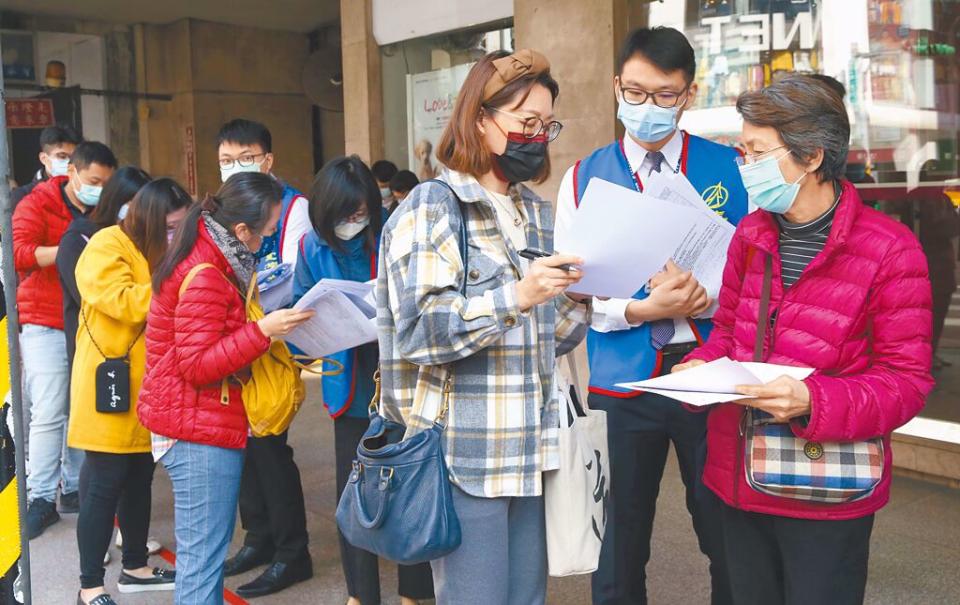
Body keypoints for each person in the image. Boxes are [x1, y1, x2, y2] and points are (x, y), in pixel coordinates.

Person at [672, 74, 934, 605]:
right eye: (741, 150)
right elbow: (728, 332)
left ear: (812, 156)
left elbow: (906, 382)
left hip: (826, 488)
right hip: (738, 476)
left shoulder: (891, 251)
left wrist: (812, 399)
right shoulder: (752, 233)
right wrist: (699, 366)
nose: (744, 164)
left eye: (758, 152)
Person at [378, 49, 590, 605]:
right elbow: (422, 332)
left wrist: (588, 298)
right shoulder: (435, 206)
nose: (538, 138)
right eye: (526, 124)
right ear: (480, 120)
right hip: (464, 456)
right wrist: (519, 293)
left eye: (547, 126)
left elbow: (548, 338)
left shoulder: (536, 210)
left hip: (531, 449)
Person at [553, 27, 747, 605]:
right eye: (635, 93)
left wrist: (704, 300)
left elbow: (753, 275)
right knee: (617, 541)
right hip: (621, 378)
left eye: (665, 95)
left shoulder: (733, 169)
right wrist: (639, 308)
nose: (648, 108)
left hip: (710, 375)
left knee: (724, 532)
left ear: (688, 94)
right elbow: (572, 290)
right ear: (616, 86)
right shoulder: (583, 176)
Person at [138, 172, 313, 604]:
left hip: (195, 422)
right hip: (197, 429)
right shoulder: (207, 273)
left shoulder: (204, 252)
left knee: (203, 562)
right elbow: (196, 364)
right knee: (202, 567)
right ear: (240, 231)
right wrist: (263, 332)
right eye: (266, 232)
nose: (267, 242)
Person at [294, 156, 434, 605]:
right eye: (343, 216)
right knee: (352, 492)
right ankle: (361, 594)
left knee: (408, 486)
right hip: (348, 378)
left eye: (360, 215)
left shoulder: (396, 234)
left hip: (399, 376)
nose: (352, 225)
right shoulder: (312, 247)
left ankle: (413, 592)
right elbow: (299, 308)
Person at [69, 178, 192, 605]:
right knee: (103, 484)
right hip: (111, 387)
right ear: (151, 221)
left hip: (150, 388)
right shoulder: (107, 244)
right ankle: (89, 586)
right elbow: (121, 300)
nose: (177, 234)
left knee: (140, 478)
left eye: (182, 226)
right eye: (172, 227)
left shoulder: (161, 251)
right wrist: (181, 290)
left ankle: (136, 567)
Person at [214, 119, 314, 598]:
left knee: (271, 449)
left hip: (271, 342)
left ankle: (293, 554)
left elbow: (293, 273)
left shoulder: (294, 208)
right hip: (236, 343)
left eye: (245, 157)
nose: (234, 167)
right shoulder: (222, 206)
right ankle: (259, 538)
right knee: (244, 445)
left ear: (267, 160)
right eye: (226, 159)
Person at [13, 141, 117, 538]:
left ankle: (74, 487)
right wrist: (73, 251)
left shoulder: (102, 210)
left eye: (106, 184)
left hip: (87, 321)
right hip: (43, 319)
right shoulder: (36, 203)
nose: (99, 190)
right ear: (71, 172)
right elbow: (18, 253)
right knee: (49, 411)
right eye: (93, 181)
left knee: (80, 408)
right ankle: (40, 497)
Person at [58, 166, 151, 372]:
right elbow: (107, 300)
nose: (139, 210)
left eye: (145, 204)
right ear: (114, 201)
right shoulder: (86, 239)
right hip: (104, 358)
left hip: (140, 355)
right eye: (131, 202)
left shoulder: (142, 239)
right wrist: (170, 292)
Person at [11, 124, 82, 207]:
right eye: (62, 156)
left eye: (74, 157)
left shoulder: (83, 193)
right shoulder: (23, 195)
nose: (69, 162)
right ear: (43, 158)